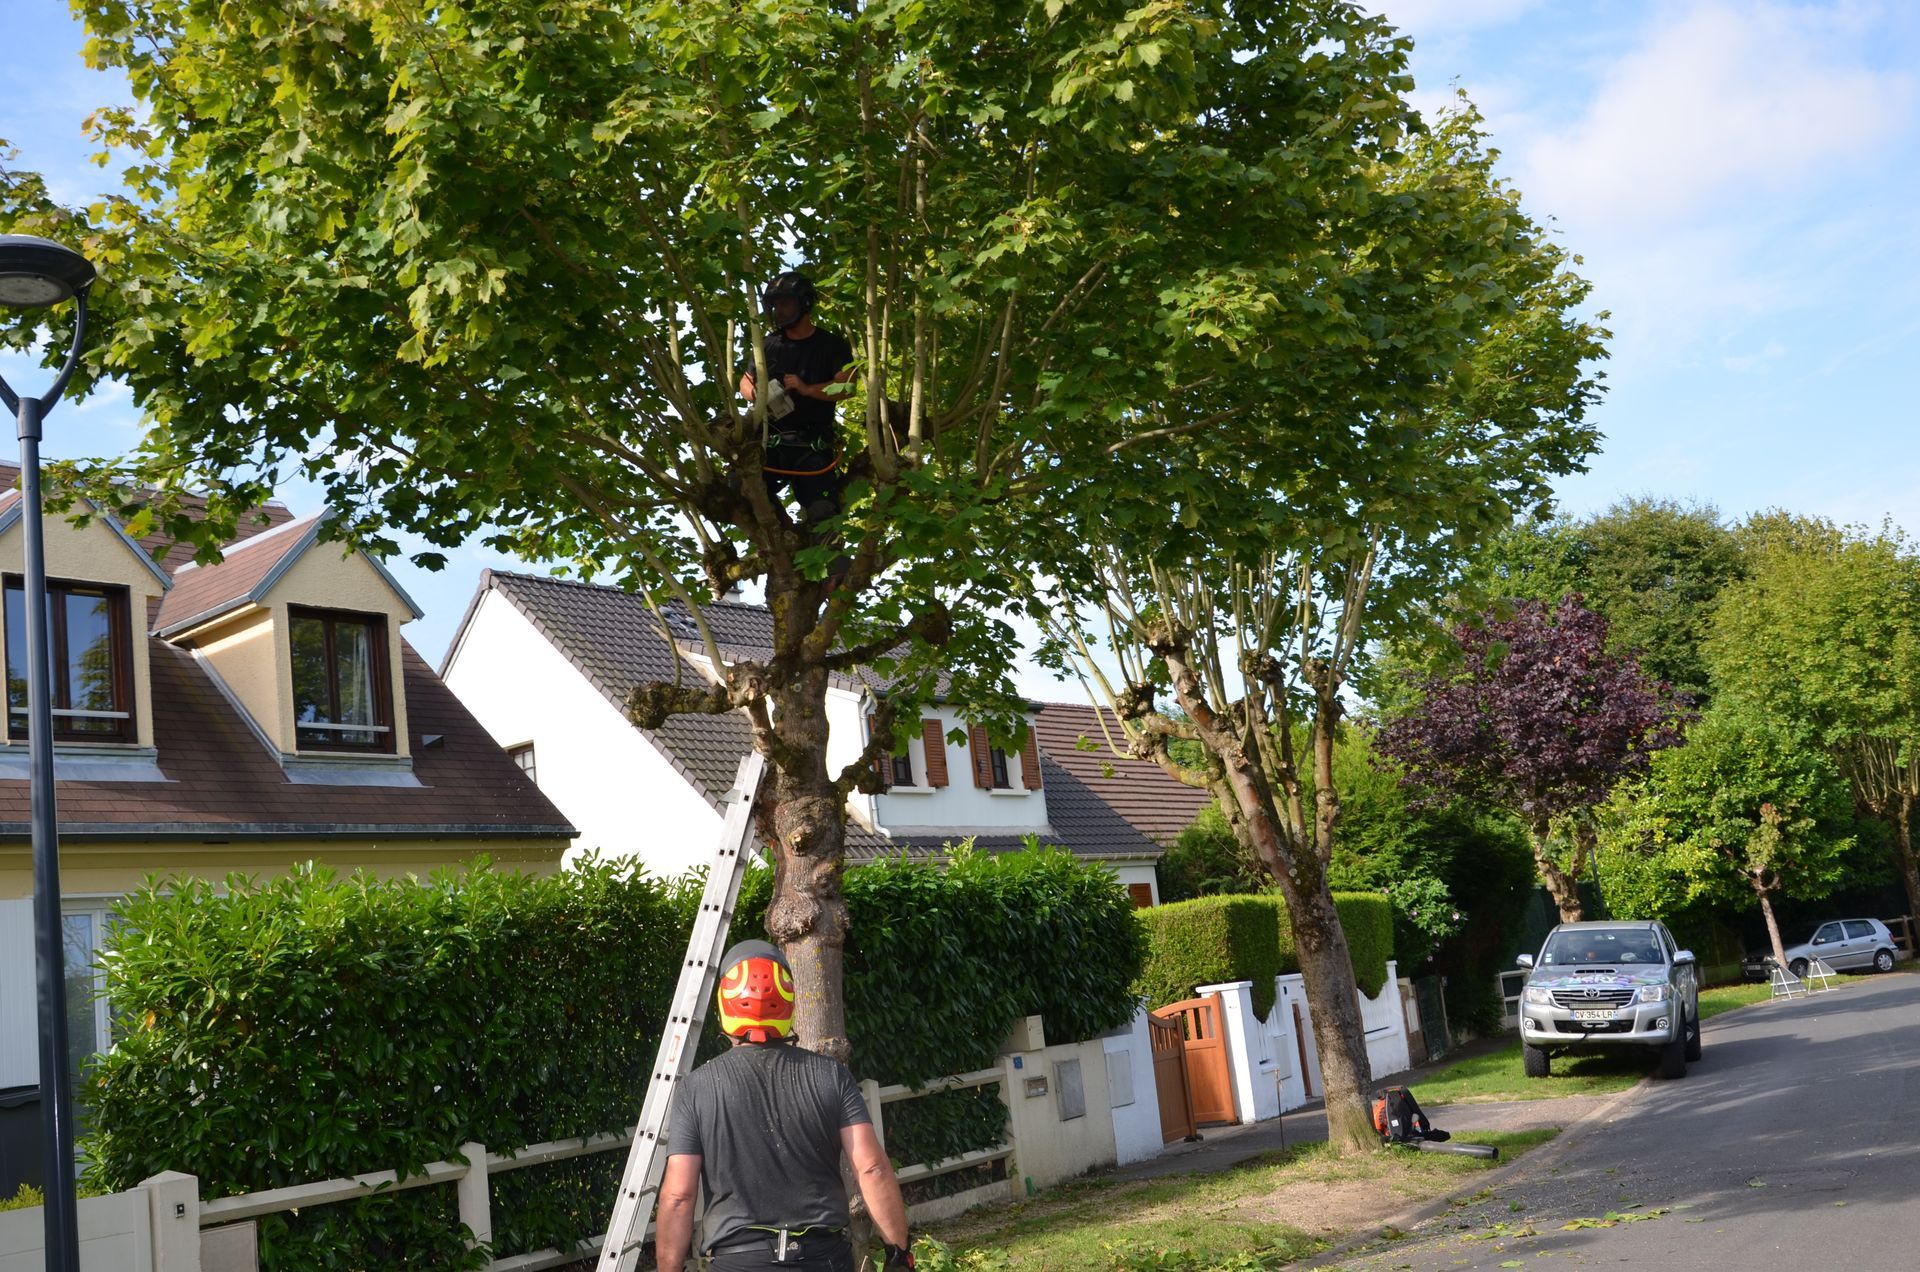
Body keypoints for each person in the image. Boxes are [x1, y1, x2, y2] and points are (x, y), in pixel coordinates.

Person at [654, 940, 914, 1270]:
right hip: (823, 1259)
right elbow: (872, 1168)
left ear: (725, 1007)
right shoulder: (831, 1075)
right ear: (788, 1003)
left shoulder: (696, 1088)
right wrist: (898, 1253)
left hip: (739, 1263)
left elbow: (678, 1196)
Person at [738, 271, 856, 523]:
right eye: (774, 305)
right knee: (739, 490)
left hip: (812, 445)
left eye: (785, 304)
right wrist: (757, 395)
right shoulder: (769, 344)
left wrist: (807, 389)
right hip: (771, 443)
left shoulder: (831, 345)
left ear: (804, 303)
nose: (778, 311)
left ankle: (828, 556)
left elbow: (846, 387)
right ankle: (780, 541)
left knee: (823, 512)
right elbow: (745, 382)